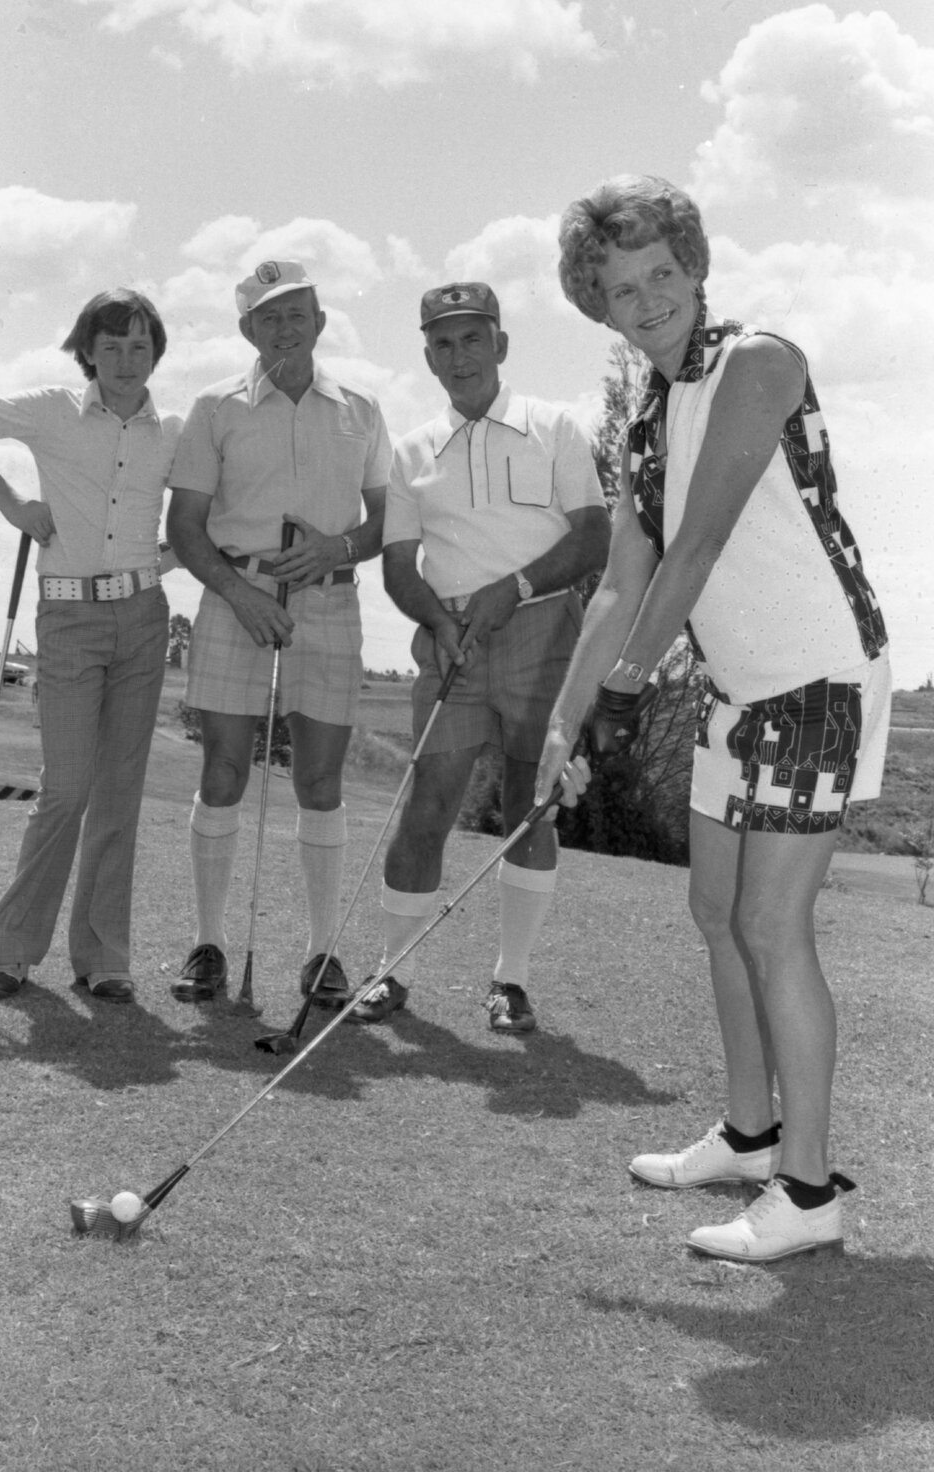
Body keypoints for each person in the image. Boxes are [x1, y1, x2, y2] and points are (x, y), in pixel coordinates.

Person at [536, 175, 891, 1261]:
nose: (643, 302)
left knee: (772, 927)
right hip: (741, 691)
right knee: (713, 911)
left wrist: (628, 689)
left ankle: (808, 1187)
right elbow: (617, 583)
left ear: (693, 265)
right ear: (594, 305)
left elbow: (697, 545)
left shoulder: (756, 362)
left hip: (817, 677)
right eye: (615, 288)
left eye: (658, 275)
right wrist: (561, 725)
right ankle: (748, 1132)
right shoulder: (645, 418)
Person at [351, 281, 610, 1033]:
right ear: (427, 355)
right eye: (442, 342)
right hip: (449, 641)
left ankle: (512, 982)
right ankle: (390, 973)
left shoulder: (554, 426)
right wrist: (436, 619)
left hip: (541, 630)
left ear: (500, 345)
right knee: (427, 806)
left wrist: (517, 585)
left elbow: (594, 536)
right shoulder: (410, 451)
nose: (458, 355)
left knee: (531, 809)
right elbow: (400, 564)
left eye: (473, 339)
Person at [0, 288, 180, 1003]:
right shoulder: (50, 408)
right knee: (67, 788)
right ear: (88, 352)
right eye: (111, 347)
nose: (126, 362)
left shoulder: (177, 431)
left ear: (156, 353)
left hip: (143, 617)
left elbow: (209, 509)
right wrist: (14, 505)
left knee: (119, 795)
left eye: (140, 347)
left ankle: (104, 956)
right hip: (68, 618)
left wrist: (166, 559)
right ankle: (10, 948)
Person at [166, 261, 391, 1007]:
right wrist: (238, 593)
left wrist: (338, 547)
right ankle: (207, 944)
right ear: (247, 330)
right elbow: (186, 528)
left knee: (319, 780)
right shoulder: (214, 408)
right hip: (236, 596)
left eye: (297, 313)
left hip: (328, 598)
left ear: (321, 320)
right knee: (224, 770)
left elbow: (386, 521)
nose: (284, 327)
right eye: (269, 317)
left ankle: (323, 952)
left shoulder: (360, 408)